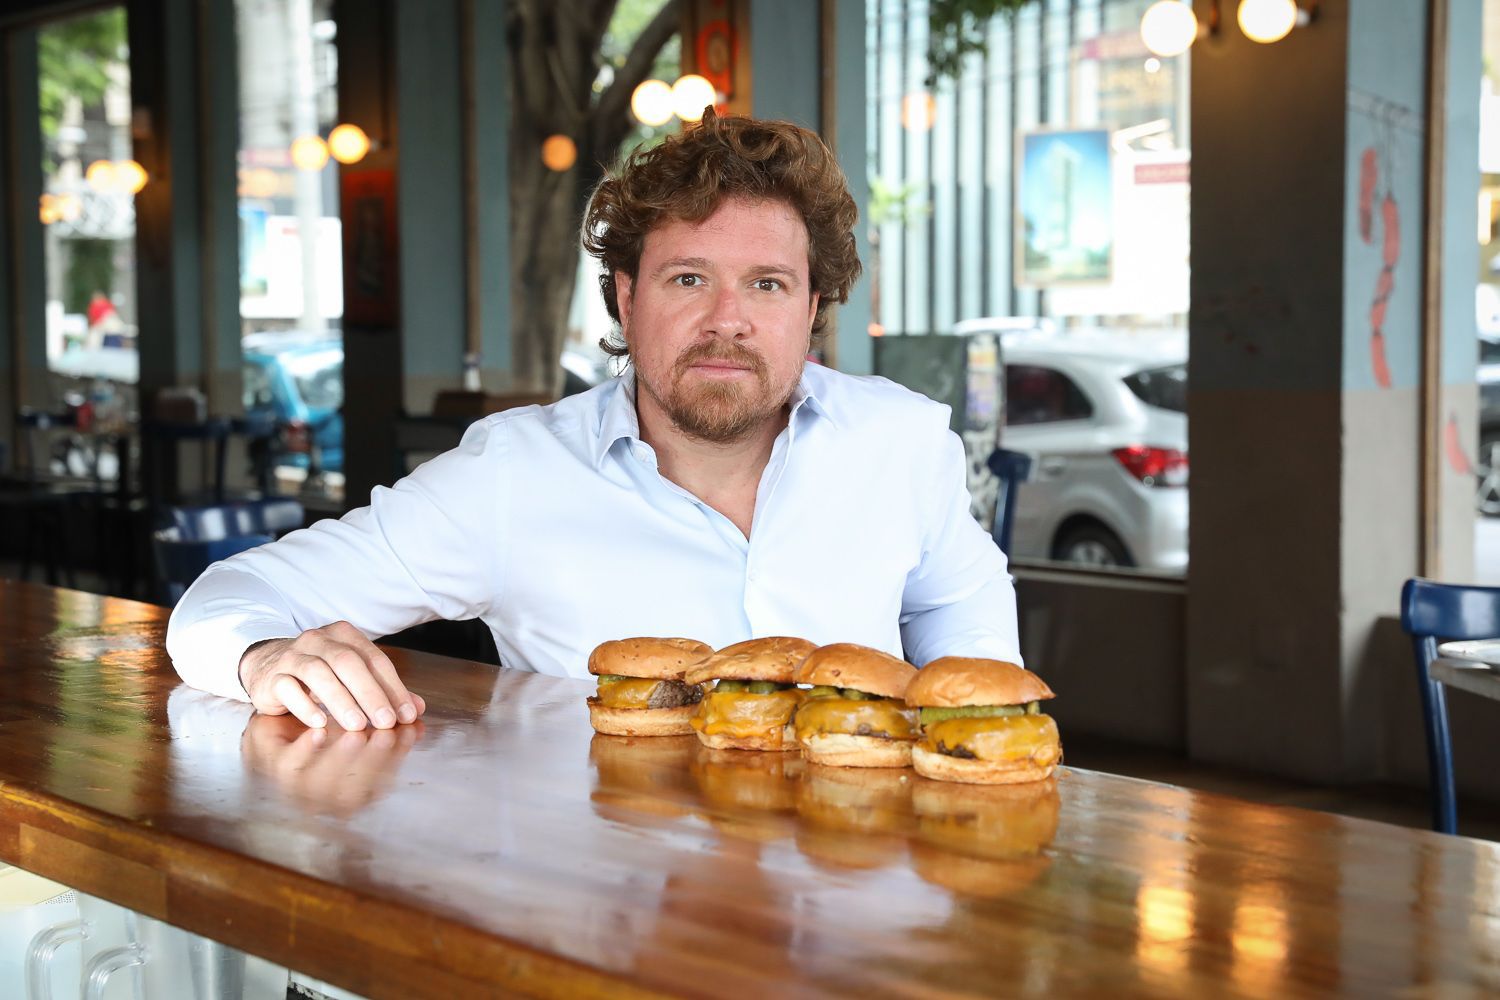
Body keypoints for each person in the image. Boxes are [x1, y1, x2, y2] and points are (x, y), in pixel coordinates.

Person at [166, 111, 1021, 731]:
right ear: (626, 295)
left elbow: (964, 614)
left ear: (811, 308)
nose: (728, 319)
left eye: (767, 284)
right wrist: (262, 658)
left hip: (850, 921)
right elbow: (223, 602)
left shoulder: (903, 443)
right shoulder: (511, 476)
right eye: (688, 279)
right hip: (604, 921)